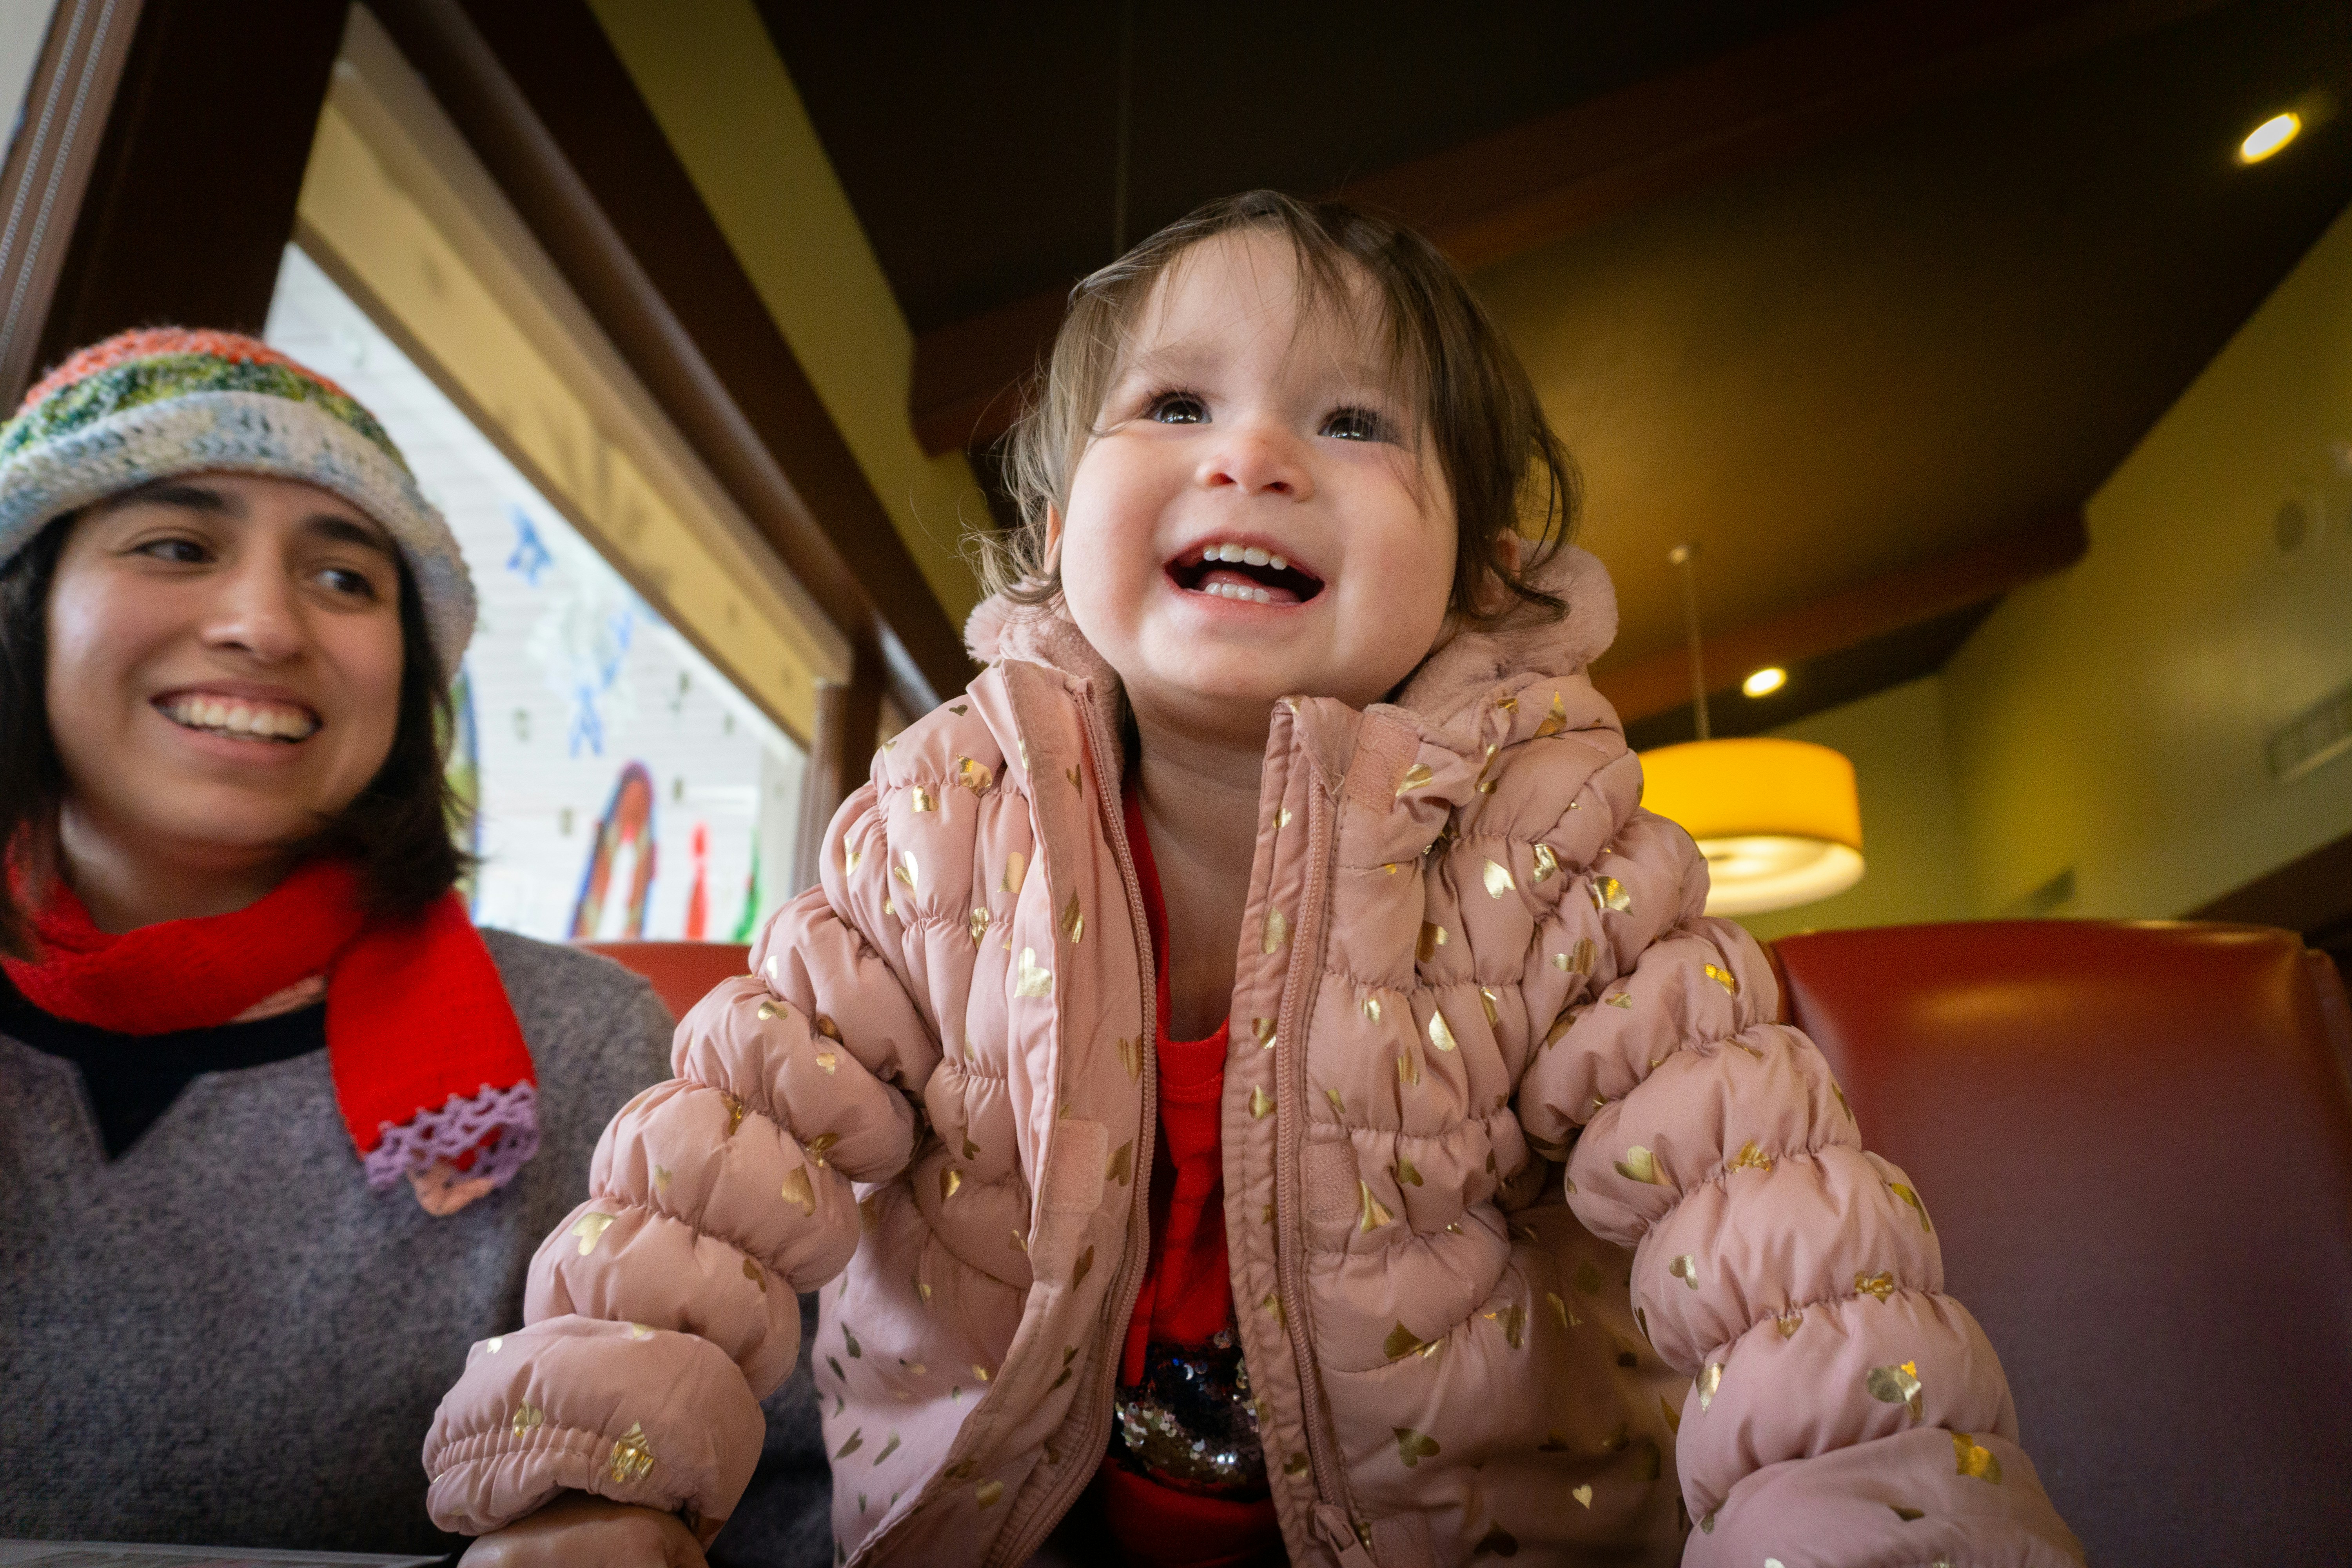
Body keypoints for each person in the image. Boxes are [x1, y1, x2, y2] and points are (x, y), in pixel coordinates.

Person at [428, 194, 2085, 1566]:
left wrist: (1867, 1518)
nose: (1257, 456)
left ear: (1478, 573)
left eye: (1356, 420)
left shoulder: (1564, 859)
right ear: (1059, 522)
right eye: (1175, 406)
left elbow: (1777, 1232)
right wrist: (595, 1475)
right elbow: (717, 1161)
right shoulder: (939, 827)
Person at [0, 328, 681, 1555]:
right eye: (175, 545)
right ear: (26, 608)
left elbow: (780, 1492)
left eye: (345, 578)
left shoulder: (587, 1049)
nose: (264, 624)